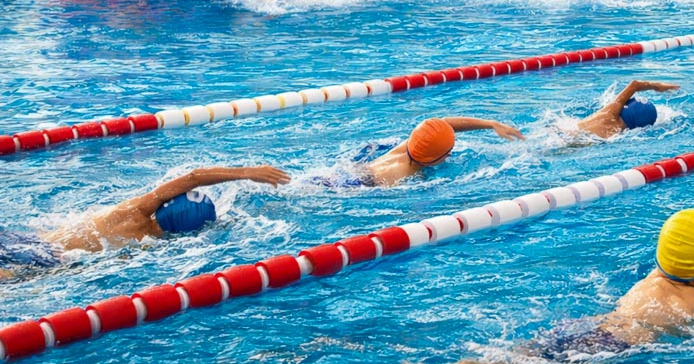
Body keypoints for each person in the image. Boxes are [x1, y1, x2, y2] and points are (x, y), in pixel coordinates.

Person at [445, 209, 694, 364]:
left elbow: (686, 242)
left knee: (522, 355)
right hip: (617, 349)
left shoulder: (653, 279)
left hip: (589, 326)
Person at [0, 165, 290, 279]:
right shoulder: (147, 249)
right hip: (48, 263)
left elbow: (193, 177)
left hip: (31, 242)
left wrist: (246, 172)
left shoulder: (134, 210)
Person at [328, 116, 524, 188]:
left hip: (354, 170)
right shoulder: (407, 176)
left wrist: (491, 124)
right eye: (447, 152)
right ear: (431, 161)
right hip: (357, 186)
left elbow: (444, 123)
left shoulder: (409, 145)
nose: (450, 155)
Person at [574, 80, 678, 138]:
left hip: (570, 132)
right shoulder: (616, 136)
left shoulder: (610, 113)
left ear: (625, 107)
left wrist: (657, 86)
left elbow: (635, 84)